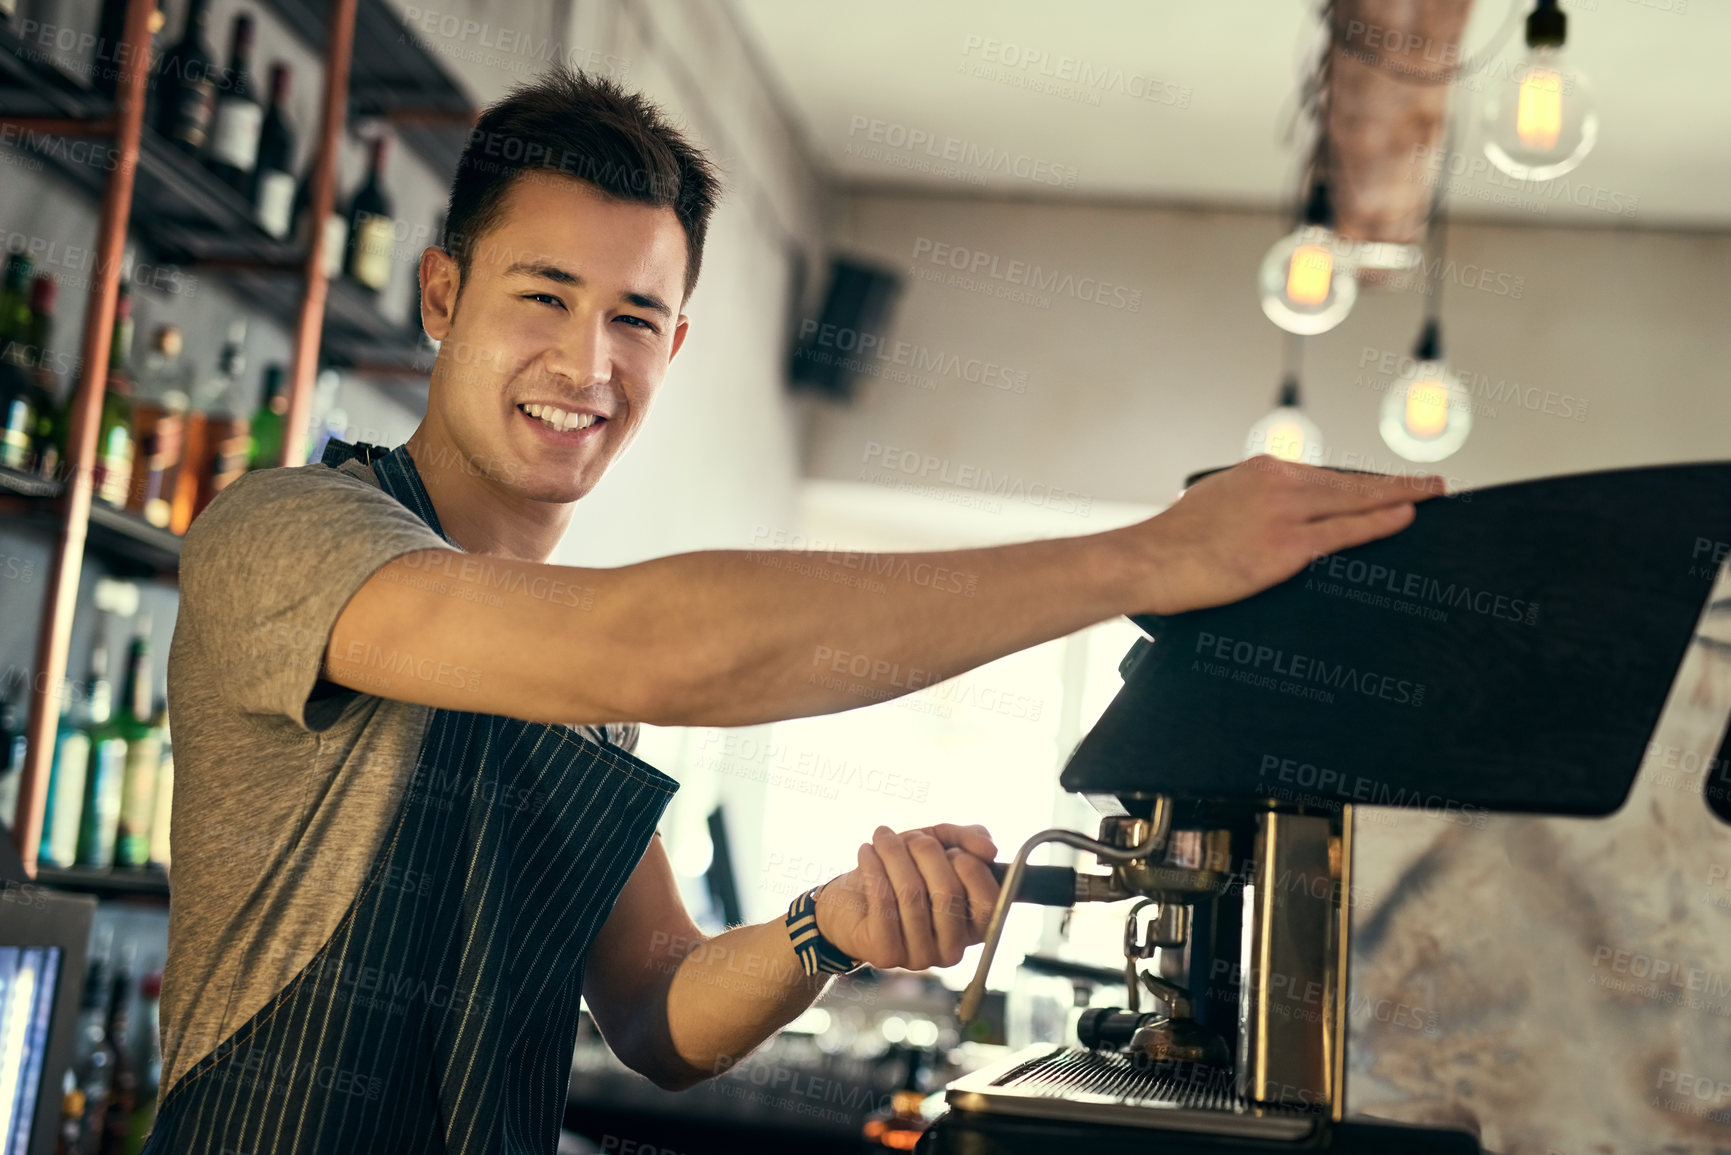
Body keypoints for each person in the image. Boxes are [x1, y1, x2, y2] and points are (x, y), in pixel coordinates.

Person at [144, 68, 1441, 1153]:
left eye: (635, 318)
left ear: (676, 347)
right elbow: (658, 648)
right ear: (442, 295)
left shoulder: (579, 700)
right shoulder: (288, 537)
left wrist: (829, 929)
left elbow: (654, 1013)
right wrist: (1142, 561)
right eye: (542, 295)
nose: (587, 364)